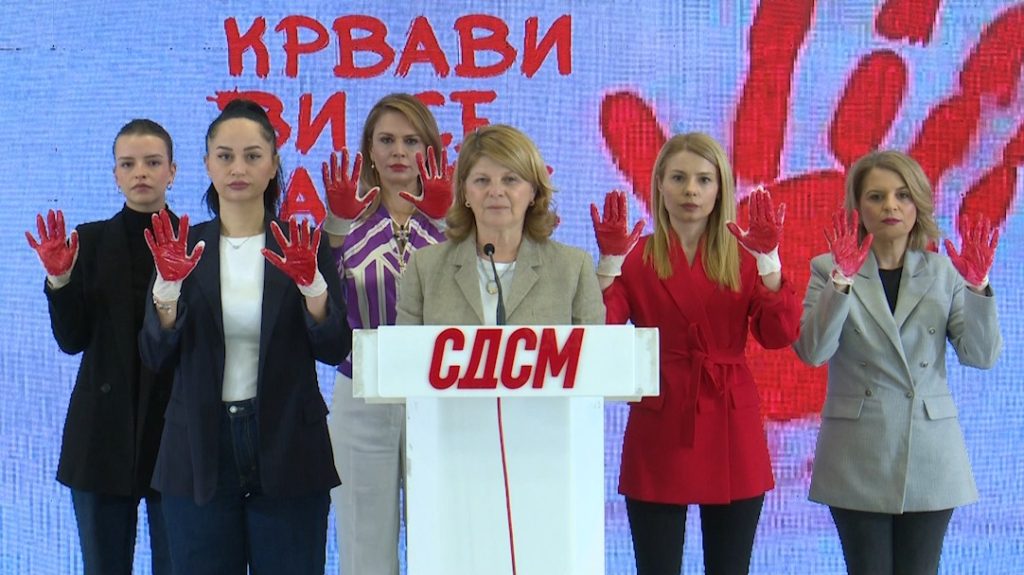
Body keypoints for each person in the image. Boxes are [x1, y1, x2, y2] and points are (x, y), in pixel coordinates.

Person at [137, 99, 350, 574]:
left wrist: (313, 289)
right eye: (225, 156)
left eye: (253, 156)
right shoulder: (180, 248)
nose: (238, 168)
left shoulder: (303, 245)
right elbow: (154, 354)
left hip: (289, 444)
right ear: (207, 164)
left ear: (273, 165)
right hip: (198, 449)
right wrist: (167, 293)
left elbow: (335, 347)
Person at [395, 124, 605, 571]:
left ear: (533, 192)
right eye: (482, 180)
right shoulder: (427, 267)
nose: (496, 192)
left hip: (546, 460)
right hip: (453, 460)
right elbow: (403, 365)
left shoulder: (572, 267)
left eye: (511, 179)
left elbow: (597, 367)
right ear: (465, 194)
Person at [593, 132, 801, 574]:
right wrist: (608, 266)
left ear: (721, 188)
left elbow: (779, 333)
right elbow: (600, 333)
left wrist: (770, 263)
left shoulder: (747, 257)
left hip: (731, 420)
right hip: (661, 416)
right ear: (659, 185)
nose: (691, 190)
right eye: (679, 178)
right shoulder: (635, 257)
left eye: (704, 179)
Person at [792, 150, 1002, 575]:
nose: (890, 205)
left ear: (918, 203)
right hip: (856, 453)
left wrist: (978, 288)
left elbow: (980, 356)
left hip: (929, 452)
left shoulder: (945, 272)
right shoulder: (828, 269)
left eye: (902, 195)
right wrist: (841, 282)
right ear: (858, 207)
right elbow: (813, 351)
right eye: (876, 196)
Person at [25, 119, 177, 575]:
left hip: (176, 435)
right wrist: (60, 279)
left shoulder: (195, 243)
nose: (140, 172)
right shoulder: (86, 242)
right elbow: (71, 340)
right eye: (128, 164)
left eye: (152, 162)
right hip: (101, 439)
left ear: (172, 171)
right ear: (115, 175)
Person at [320, 93, 450, 575]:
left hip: (438, 397)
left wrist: (446, 223)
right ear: (369, 150)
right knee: (363, 547)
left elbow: (477, 293)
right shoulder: (343, 222)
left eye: (411, 141)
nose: (398, 151)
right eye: (387, 140)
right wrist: (334, 229)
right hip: (360, 392)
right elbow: (319, 300)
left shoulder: (459, 223)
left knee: (442, 544)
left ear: (430, 150)